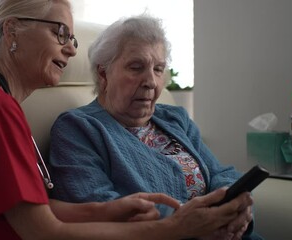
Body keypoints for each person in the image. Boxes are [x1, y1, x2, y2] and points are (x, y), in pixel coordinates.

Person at [0, 0, 253, 239]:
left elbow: (37, 210)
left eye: (72, 38)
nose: (72, 50)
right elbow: (42, 231)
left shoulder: (1, 105)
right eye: (60, 33)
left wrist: (112, 209)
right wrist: (179, 227)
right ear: (12, 31)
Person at [48, 14, 261, 240]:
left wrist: (233, 207)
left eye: (158, 69)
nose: (151, 81)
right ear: (103, 73)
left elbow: (221, 173)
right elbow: (97, 205)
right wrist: (195, 223)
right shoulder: (78, 128)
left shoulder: (175, 118)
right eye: (136, 67)